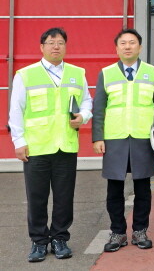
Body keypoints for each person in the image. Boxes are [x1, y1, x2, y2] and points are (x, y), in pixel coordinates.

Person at [8, 27, 93, 262]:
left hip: (65, 145)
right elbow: (16, 110)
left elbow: (87, 101)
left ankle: (60, 239)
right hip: (37, 147)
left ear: (66, 46)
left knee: (64, 196)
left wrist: (83, 117)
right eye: (51, 42)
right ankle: (38, 241)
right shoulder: (25, 74)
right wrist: (19, 141)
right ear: (42, 47)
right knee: (37, 197)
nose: (56, 46)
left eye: (60, 42)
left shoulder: (77, 73)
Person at [92, 29, 154, 252]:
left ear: (140, 47)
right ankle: (117, 232)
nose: (128, 47)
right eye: (123, 43)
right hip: (114, 139)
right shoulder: (106, 73)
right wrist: (97, 137)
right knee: (114, 189)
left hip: (141, 137)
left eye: (132, 43)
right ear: (116, 48)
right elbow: (99, 108)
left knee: (143, 188)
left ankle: (139, 231)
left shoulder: (152, 72)